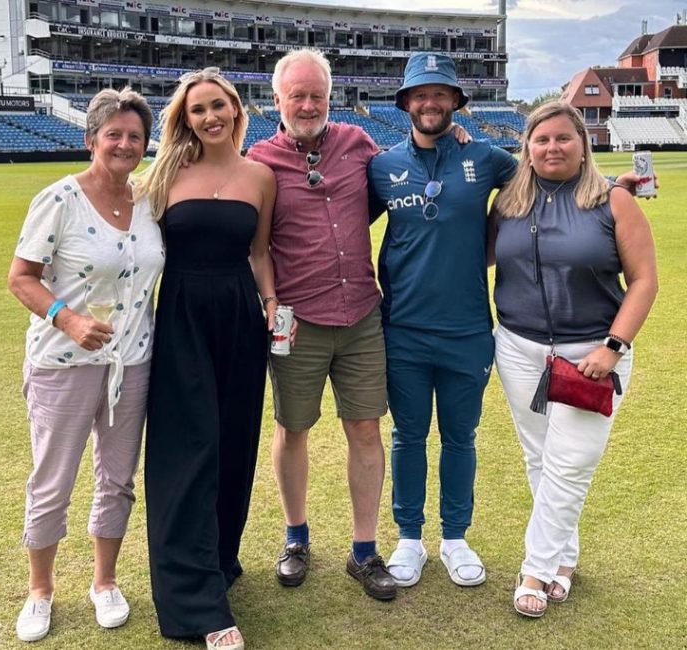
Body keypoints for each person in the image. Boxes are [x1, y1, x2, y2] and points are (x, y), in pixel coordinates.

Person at [490, 101, 658, 617]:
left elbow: (645, 282)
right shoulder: (509, 203)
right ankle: (564, 558)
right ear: (527, 148)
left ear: (583, 143)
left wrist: (613, 347)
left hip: (592, 355)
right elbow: (478, 257)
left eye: (564, 138)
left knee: (569, 465)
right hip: (519, 349)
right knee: (540, 458)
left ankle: (535, 570)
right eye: (541, 140)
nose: (552, 148)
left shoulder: (614, 202)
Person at [8, 88, 162, 642]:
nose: (124, 144)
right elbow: (20, 277)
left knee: (117, 481)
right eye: (113, 134)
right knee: (53, 481)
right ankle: (40, 590)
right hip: (62, 364)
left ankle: (104, 581)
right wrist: (66, 318)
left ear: (146, 145)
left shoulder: (149, 200)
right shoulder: (60, 199)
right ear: (90, 139)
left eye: (135, 136)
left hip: (134, 362)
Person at [246, 49, 397, 600]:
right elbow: (253, 244)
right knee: (292, 429)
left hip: (360, 313)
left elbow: (403, 180)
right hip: (296, 320)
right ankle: (296, 538)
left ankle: (364, 550)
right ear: (277, 101)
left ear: (330, 98)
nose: (307, 105)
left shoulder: (359, 144)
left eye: (317, 96)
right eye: (297, 96)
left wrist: (452, 137)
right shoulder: (259, 160)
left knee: (364, 428)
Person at [135, 67, 276, 650]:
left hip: (242, 318)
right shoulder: (163, 173)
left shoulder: (261, 176)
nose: (210, 116)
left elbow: (260, 251)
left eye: (218, 105)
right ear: (184, 119)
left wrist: (270, 303)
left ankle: (218, 561)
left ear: (236, 109)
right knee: (187, 450)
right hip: (183, 317)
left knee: (234, 445)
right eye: (198, 110)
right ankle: (195, 604)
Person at [368, 52, 518, 590]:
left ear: (456, 101)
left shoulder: (486, 157)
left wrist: (614, 185)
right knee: (408, 435)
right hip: (403, 327)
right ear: (406, 103)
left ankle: (454, 537)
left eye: (440, 93)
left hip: (468, 330)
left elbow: (550, 178)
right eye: (420, 94)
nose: (430, 102)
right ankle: (409, 538)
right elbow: (334, 222)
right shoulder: (382, 166)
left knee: (461, 437)